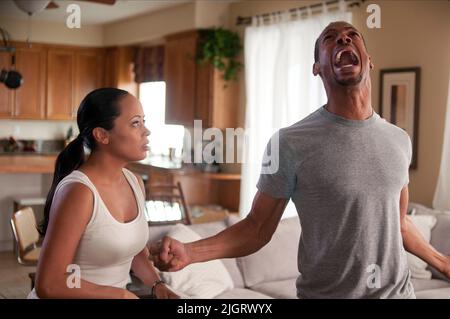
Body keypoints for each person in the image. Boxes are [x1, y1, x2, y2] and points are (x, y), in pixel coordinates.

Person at [149, 22, 450, 299]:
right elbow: (256, 227)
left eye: (351, 35)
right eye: (330, 39)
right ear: (317, 67)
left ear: (368, 60)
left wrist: (443, 263)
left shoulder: (398, 139)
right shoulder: (288, 143)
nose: (343, 38)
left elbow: (397, 222)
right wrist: (191, 252)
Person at [30, 88, 178, 299]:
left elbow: (133, 252)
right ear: (102, 135)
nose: (146, 131)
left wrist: (158, 286)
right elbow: (49, 284)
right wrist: (121, 296)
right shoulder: (80, 191)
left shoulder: (134, 182)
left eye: (143, 121)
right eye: (136, 123)